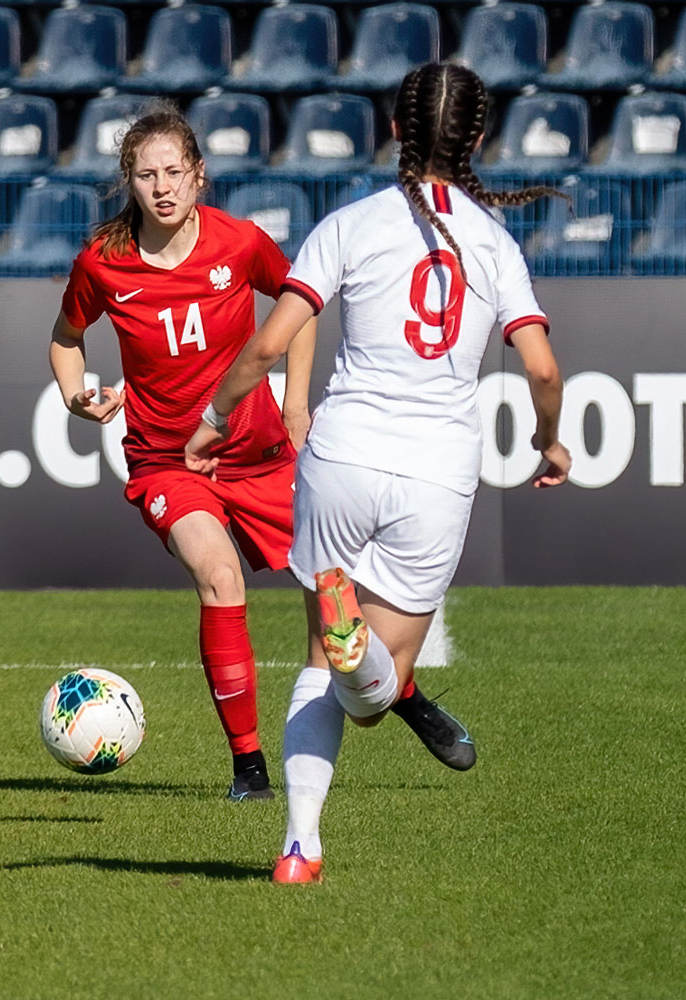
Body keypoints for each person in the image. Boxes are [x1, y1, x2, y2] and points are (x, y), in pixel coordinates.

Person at [184, 63, 571, 883]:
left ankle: (299, 849)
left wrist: (214, 421)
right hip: (435, 474)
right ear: (478, 138)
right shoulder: (494, 243)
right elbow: (541, 368)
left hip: (341, 458)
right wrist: (551, 441)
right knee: (368, 694)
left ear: (394, 130)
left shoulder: (351, 224)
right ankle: (367, 663)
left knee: (319, 664)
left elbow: (268, 343)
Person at [49, 100, 319, 801]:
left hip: (260, 455)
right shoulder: (103, 263)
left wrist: (295, 403)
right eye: (147, 175)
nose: (162, 187)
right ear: (129, 182)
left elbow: (301, 306)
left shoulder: (240, 243)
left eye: (174, 172)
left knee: (336, 592)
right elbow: (67, 338)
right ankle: (249, 767)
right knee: (220, 578)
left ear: (199, 174)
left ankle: (403, 696)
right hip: (169, 464)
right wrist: (77, 396)